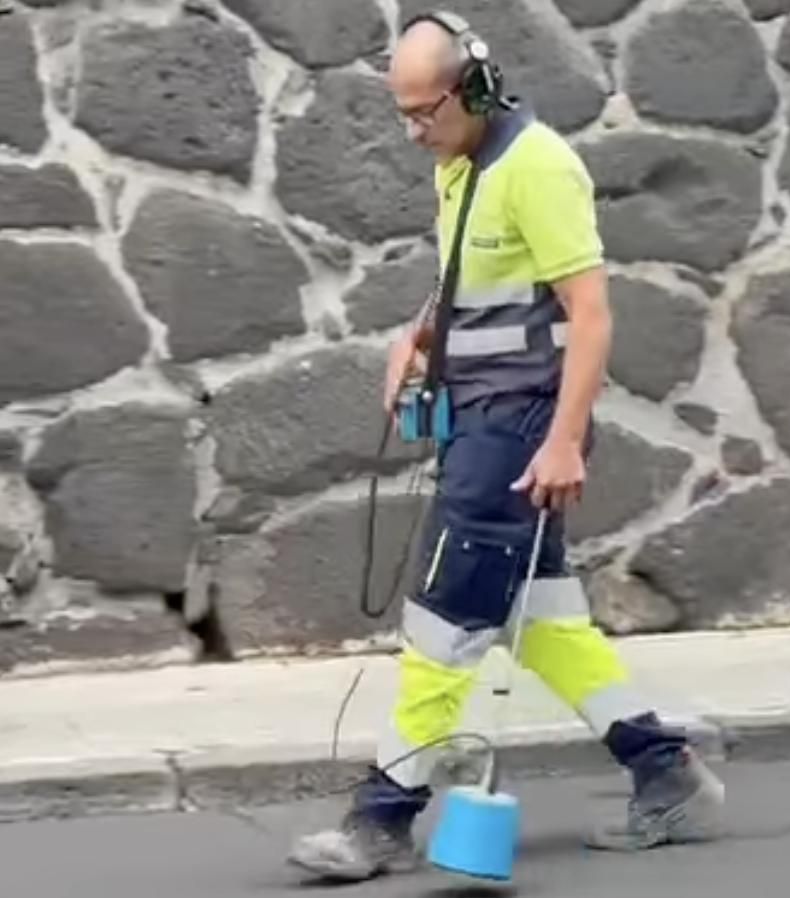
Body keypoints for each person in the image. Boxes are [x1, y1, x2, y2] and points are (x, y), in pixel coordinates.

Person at [288, 10, 725, 883]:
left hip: (520, 428)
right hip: (484, 415)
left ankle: (382, 817)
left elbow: (592, 317)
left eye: (426, 113)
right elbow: (474, 283)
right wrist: (418, 334)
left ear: (477, 88)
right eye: (402, 115)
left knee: (447, 614)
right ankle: (665, 774)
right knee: (543, 617)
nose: (415, 133)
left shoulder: (540, 168)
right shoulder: (463, 165)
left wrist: (564, 443)